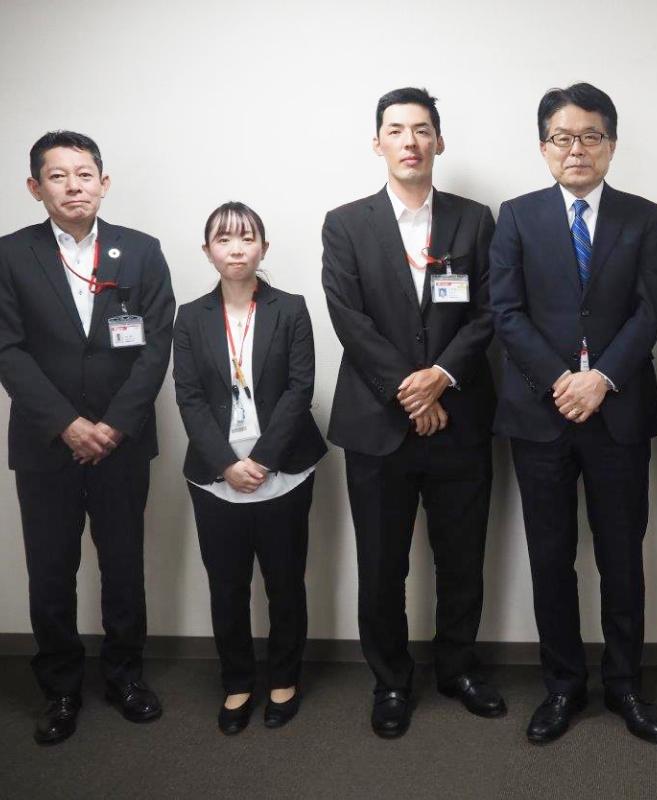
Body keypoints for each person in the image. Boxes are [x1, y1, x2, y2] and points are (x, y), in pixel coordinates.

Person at [490, 82, 657, 744]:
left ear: (611, 145)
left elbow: (651, 309)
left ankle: (626, 685)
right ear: (544, 148)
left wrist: (603, 379)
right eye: (563, 137)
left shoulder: (643, 216)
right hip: (541, 416)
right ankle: (563, 686)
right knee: (550, 556)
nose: (577, 149)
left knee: (623, 556)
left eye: (591, 136)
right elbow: (506, 311)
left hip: (618, 413)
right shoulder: (516, 216)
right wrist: (563, 380)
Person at [322, 87, 502, 738]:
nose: (410, 142)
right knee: (382, 564)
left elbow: (488, 311)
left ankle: (457, 669)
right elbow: (349, 318)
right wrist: (410, 389)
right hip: (379, 425)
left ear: (439, 141)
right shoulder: (345, 224)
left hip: (460, 418)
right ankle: (391, 680)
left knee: (462, 558)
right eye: (396, 130)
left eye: (422, 130)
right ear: (377, 143)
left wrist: (441, 378)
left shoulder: (475, 221)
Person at [0, 131, 175, 744]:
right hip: (45, 442)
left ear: (104, 181)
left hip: (122, 442)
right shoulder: (10, 254)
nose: (73, 186)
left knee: (123, 565)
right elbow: (7, 349)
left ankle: (126, 676)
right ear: (35, 187)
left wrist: (114, 425)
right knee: (51, 569)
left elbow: (156, 345)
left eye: (84, 174)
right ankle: (60, 688)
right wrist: (66, 424)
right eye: (58, 176)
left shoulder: (142, 251)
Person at [173, 202, 326, 734]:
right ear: (207, 250)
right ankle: (237, 682)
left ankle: (284, 679)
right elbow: (189, 397)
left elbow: (300, 388)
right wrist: (227, 463)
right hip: (216, 479)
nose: (236, 249)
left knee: (285, 582)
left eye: (246, 238)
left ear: (263, 247)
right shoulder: (190, 316)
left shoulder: (291, 308)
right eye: (224, 239)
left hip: (284, 472)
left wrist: (260, 460)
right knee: (227, 586)